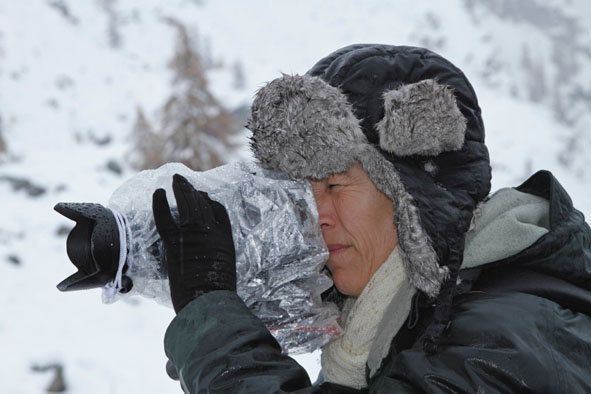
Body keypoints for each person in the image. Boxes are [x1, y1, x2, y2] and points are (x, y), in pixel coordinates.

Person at [152, 44, 591, 393]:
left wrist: (215, 336)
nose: (316, 217)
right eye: (302, 195)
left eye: (334, 186)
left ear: (417, 198)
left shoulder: (501, 341)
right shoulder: (384, 336)